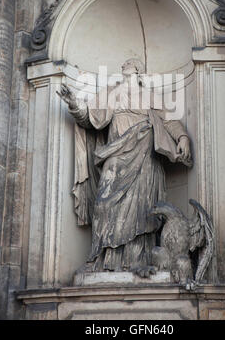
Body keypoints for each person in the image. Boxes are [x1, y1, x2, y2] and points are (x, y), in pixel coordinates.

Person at [57, 58, 192, 277]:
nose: (123, 65)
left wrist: (183, 137)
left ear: (137, 70)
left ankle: (139, 259)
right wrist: (74, 104)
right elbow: (90, 119)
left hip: (145, 154)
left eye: (128, 63)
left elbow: (169, 120)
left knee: (142, 206)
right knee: (103, 203)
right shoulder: (111, 93)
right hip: (116, 153)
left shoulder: (150, 95)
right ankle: (104, 259)